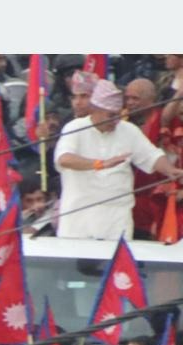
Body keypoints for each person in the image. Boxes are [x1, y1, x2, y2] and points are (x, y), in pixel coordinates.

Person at [55, 79, 183, 240]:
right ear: (95, 109)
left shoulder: (128, 130)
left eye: (118, 114)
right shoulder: (74, 128)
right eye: (111, 115)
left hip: (116, 219)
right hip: (79, 218)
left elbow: (152, 156)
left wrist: (170, 170)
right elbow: (65, 159)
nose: (116, 120)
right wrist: (99, 164)